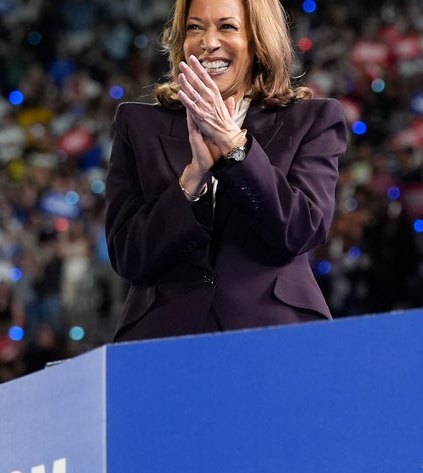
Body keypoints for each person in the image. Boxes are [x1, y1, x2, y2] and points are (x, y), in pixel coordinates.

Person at [104, 0, 348, 342]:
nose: (208, 42)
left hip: (276, 337)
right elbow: (129, 257)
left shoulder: (311, 120)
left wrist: (237, 150)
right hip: (162, 341)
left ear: (259, 40)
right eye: (195, 27)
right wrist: (192, 179)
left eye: (227, 27)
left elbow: (300, 230)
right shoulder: (137, 125)